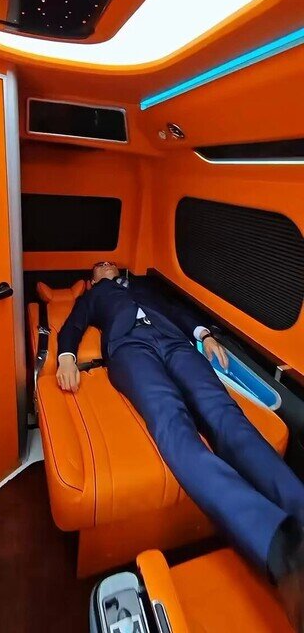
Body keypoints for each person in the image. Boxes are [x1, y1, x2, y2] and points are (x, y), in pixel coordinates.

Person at [57, 261, 304, 630]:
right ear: (92, 280)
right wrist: (66, 357)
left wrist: (205, 335)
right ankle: (281, 550)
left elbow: (175, 310)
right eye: (99, 266)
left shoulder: (142, 285)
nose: (107, 265)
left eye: (109, 262)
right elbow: (73, 325)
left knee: (226, 416)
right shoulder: (95, 297)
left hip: (177, 344)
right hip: (130, 350)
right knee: (173, 425)